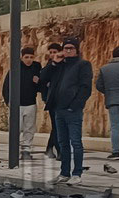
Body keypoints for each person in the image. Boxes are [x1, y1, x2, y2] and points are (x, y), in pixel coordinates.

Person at [42, 38, 93, 186]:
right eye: (65, 48)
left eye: (71, 48)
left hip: (72, 110)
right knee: (62, 142)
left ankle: (77, 173)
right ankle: (64, 172)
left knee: (76, 142)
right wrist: (54, 62)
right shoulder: (59, 66)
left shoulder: (83, 65)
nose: (68, 51)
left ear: (76, 50)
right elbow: (43, 77)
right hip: (58, 109)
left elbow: (85, 88)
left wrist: (75, 105)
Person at [3, 47, 42, 160]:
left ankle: (26, 150)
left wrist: (38, 82)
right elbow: (6, 86)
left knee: (29, 128)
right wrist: (8, 102)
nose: (29, 60)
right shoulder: (15, 68)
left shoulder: (36, 68)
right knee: (16, 128)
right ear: (21, 57)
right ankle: (14, 150)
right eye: (26, 57)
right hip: (16, 105)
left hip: (30, 103)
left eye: (31, 57)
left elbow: (41, 85)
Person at [40, 43, 63, 160]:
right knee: (56, 126)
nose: (53, 54)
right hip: (52, 101)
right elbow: (42, 80)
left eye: (55, 52)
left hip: (63, 100)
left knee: (59, 127)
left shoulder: (64, 65)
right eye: (51, 52)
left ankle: (50, 148)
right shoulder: (49, 66)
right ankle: (58, 151)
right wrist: (45, 98)